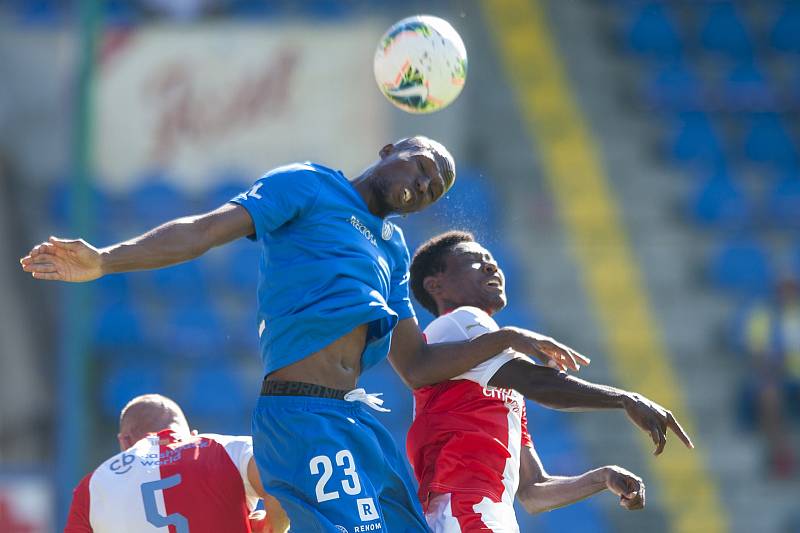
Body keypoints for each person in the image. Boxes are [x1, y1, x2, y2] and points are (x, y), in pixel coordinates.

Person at [21, 136, 589, 531]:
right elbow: (207, 229)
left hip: (354, 419)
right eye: (422, 167)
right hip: (299, 416)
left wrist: (505, 338)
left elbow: (416, 366)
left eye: (436, 188)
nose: (424, 185)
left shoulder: (391, 248)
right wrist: (105, 261)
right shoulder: (308, 185)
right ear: (390, 151)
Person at [406, 231, 695, 531]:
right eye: (473, 262)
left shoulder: (488, 369)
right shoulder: (460, 322)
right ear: (435, 285)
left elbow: (533, 490)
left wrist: (602, 477)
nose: (492, 267)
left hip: (476, 514)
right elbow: (540, 384)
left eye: (491, 260)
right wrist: (626, 399)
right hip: (467, 513)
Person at [64, 393, 288, 533]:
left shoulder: (93, 486)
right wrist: (271, 527)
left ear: (124, 442)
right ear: (191, 433)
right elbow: (282, 476)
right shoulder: (225, 449)